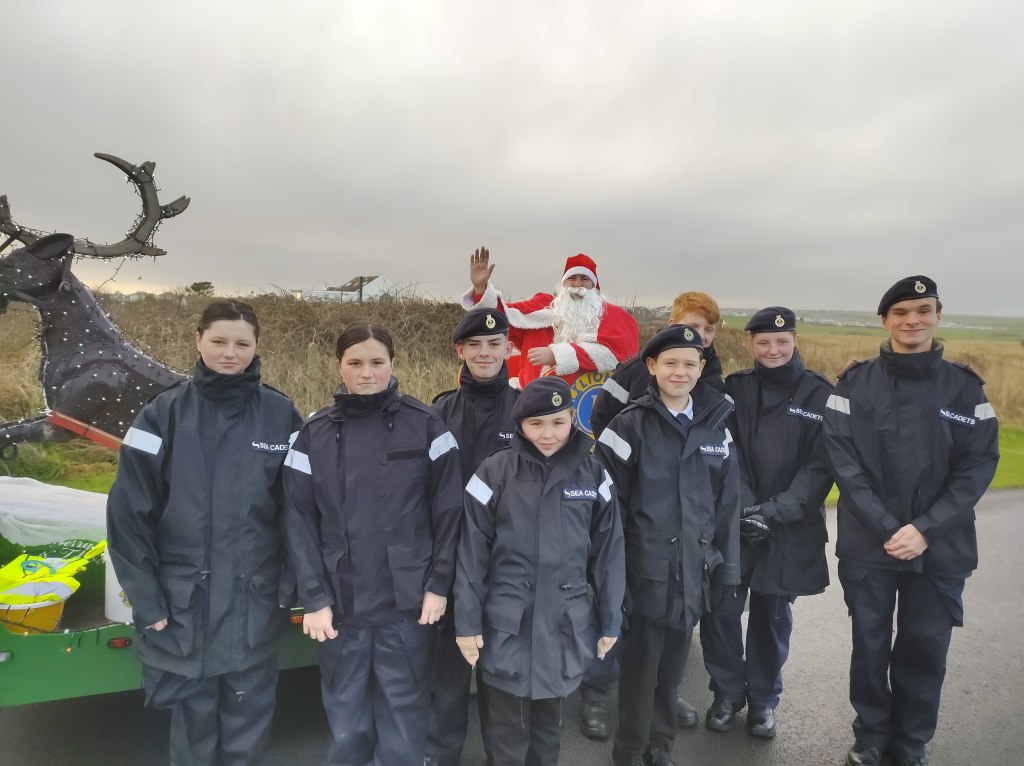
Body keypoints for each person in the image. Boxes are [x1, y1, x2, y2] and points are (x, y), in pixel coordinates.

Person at [106, 299, 303, 766]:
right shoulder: (162, 414)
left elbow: (300, 512)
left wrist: (290, 587)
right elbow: (129, 517)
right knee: (192, 740)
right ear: (198, 341)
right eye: (219, 341)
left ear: (256, 347)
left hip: (254, 607)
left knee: (248, 736)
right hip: (182, 612)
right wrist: (147, 601)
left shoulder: (281, 415)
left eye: (242, 344)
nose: (230, 353)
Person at [824, 277, 999, 766]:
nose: (912, 320)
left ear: (938, 315)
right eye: (901, 312)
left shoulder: (965, 388)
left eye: (923, 310)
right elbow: (842, 461)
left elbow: (979, 465)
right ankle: (871, 735)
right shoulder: (853, 384)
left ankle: (912, 739)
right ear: (885, 320)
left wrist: (925, 528)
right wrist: (889, 527)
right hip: (870, 543)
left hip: (941, 546)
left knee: (926, 646)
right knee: (870, 645)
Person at [282, 322, 463, 766]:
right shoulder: (313, 434)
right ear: (339, 366)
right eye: (355, 363)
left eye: (377, 362)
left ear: (392, 364)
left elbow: (449, 513)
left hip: (407, 604)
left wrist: (439, 585)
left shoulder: (427, 426)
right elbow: (298, 520)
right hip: (339, 605)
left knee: (404, 714)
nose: (367, 373)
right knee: (347, 718)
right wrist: (314, 598)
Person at [455, 376, 625, 766]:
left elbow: (609, 552)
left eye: (557, 423)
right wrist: (466, 623)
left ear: (572, 419)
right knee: (506, 738)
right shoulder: (493, 473)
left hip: (563, 627)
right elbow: (470, 554)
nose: (547, 434)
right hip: (508, 627)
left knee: (548, 735)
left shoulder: (594, 474)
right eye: (536, 424)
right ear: (520, 425)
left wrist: (610, 619)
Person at [596, 325, 741, 766]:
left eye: (689, 364)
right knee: (639, 672)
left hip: (693, 573)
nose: (680, 372)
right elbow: (608, 512)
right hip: (643, 574)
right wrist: (612, 580)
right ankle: (629, 751)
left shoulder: (716, 427)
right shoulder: (627, 426)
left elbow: (727, 507)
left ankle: (660, 748)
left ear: (701, 367)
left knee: (671, 673)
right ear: (652, 367)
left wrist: (727, 571)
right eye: (670, 363)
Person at [699, 306, 834, 739]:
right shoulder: (735, 389)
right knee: (721, 609)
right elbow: (725, 449)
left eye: (781, 341)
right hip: (736, 520)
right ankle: (725, 693)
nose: (773, 349)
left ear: (795, 341)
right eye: (763, 342)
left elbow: (821, 465)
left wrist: (774, 511)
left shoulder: (820, 394)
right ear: (750, 343)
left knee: (772, 616)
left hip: (789, 525)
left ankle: (762, 701)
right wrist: (745, 508)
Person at [425, 308, 520, 766]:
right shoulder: (437, 412)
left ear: (508, 348)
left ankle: (501, 756)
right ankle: (441, 753)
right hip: (450, 556)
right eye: (475, 345)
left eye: (494, 344)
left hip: (506, 559)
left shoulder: (526, 410)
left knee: (501, 671)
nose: (485, 353)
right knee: (448, 670)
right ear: (460, 351)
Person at [464, 246, 639, 388]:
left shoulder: (609, 315)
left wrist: (557, 355)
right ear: (563, 284)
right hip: (531, 399)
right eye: (572, 278)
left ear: (594, 285)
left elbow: (615, 355)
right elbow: (500, 317)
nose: (577, 284)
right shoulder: (542, 307)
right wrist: (481, 290)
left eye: (584, 279)